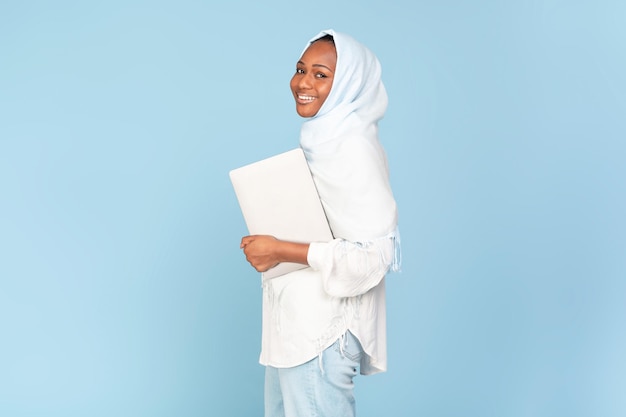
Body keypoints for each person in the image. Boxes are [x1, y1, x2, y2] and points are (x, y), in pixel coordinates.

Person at [239, 29, 401, 417]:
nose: (303, 83)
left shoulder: (352, 149)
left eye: (320, 74)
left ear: (347, 82)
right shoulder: (323, 141)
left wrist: (280, 249)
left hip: (321, 337)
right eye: (300, 69)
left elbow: (373, 257)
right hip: (297, 331)